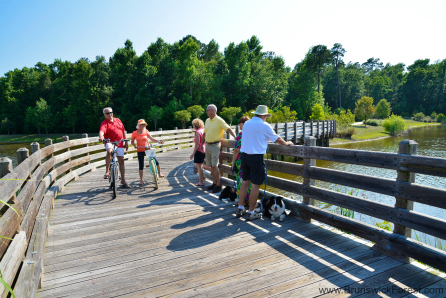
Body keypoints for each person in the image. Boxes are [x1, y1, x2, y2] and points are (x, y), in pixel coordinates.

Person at [236, 105, 293, 220]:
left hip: (244, 156)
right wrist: (287, 144)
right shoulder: (264, 125)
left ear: (255, 113)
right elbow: (276, 139)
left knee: (245, 182)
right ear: (265, 116)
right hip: (256, 158)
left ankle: (240, 208)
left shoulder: (247, 124)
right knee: (256, 185)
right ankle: (251, 213)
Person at [201, 104, 236, 193]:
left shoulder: (219, 120)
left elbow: (228, 128)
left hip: (215, 145)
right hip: (208, 145)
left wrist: (236, 137)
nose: (206, 111)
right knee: (211, 165)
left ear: (212, 110)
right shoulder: (207, 120)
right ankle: (214, 183)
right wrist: (202, 144)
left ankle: (218, 185)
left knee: (215, 165)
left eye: (207, 110)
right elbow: (205, 133)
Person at [98, 107, 130, 188]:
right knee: (109, 151)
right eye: (107, 113)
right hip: (110, 142)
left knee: (121, 161)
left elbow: (123, 131)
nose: (110, 114)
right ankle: (107, 172)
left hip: (119, 142)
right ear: (104, 115)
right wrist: (101, 137)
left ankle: (123, 180)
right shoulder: (104, 123)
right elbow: (101, 131)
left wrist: (125, 142)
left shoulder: (118, 120)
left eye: (111, 112)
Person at [131, 119, 165, 185]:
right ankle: (141, 180)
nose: (143, 125)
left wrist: (158, 141)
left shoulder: (146, 131)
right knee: (141, 165)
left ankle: (159, 173)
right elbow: (132, 142)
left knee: (156, 161)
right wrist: (135, 145)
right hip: (140, 150)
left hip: (147, 148)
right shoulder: (134, 133)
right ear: (138, 125)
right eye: (141, 124)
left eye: (144, 124)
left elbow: (152, 139)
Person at [231, 116, 252, 203]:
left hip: (241, 160)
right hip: (251, 159)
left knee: (241, 181)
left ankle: (241, 201)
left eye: (240, 122)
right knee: (250, 181)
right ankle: (249, 200)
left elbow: (236, 150)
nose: (239, 124)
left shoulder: (240, 135)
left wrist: (232, 162)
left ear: (244, 123)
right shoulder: (252, 134)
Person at [190, 118, 211, 186]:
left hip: (199, 150)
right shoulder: (203, 130)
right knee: (197, 165)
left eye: (193, 125)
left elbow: (197, 144)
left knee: (199, 167)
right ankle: (211, 169)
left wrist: (193, 153)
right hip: (204, 149)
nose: (193, 126)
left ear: (195, 125)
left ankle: (201, 182)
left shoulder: (197, 132)